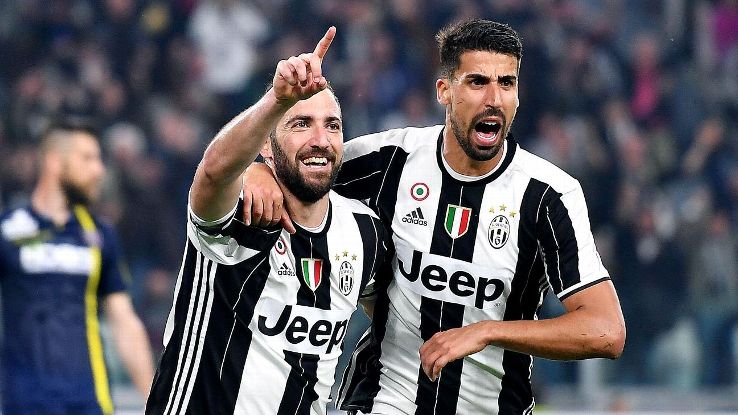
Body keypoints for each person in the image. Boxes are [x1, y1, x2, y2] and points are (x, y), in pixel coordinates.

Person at [242, 19, 626, 414]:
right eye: (477, 82)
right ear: (444, 90)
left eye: (506, 83)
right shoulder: (387, 161)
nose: (494, 98)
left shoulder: (548, 195)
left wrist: (485, 332)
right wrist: (257, 170)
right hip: (385, 401)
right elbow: (302, 166)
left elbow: (606, 330)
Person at [145, 27, 389, 415]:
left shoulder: (366, 232)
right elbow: (213, 174)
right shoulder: (243, 210)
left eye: (332, 125)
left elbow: (396, 325)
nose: (321, 140)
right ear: (265, 146)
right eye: (300, 123)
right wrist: (277, 100)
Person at [0, 119, 154, 415]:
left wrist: (154, 400)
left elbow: (125, 322)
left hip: (89, 402)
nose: (99, 170)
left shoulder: (100, 236)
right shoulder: (8, 231)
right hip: (23, 404)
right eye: (87, 159)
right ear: (55, 162)